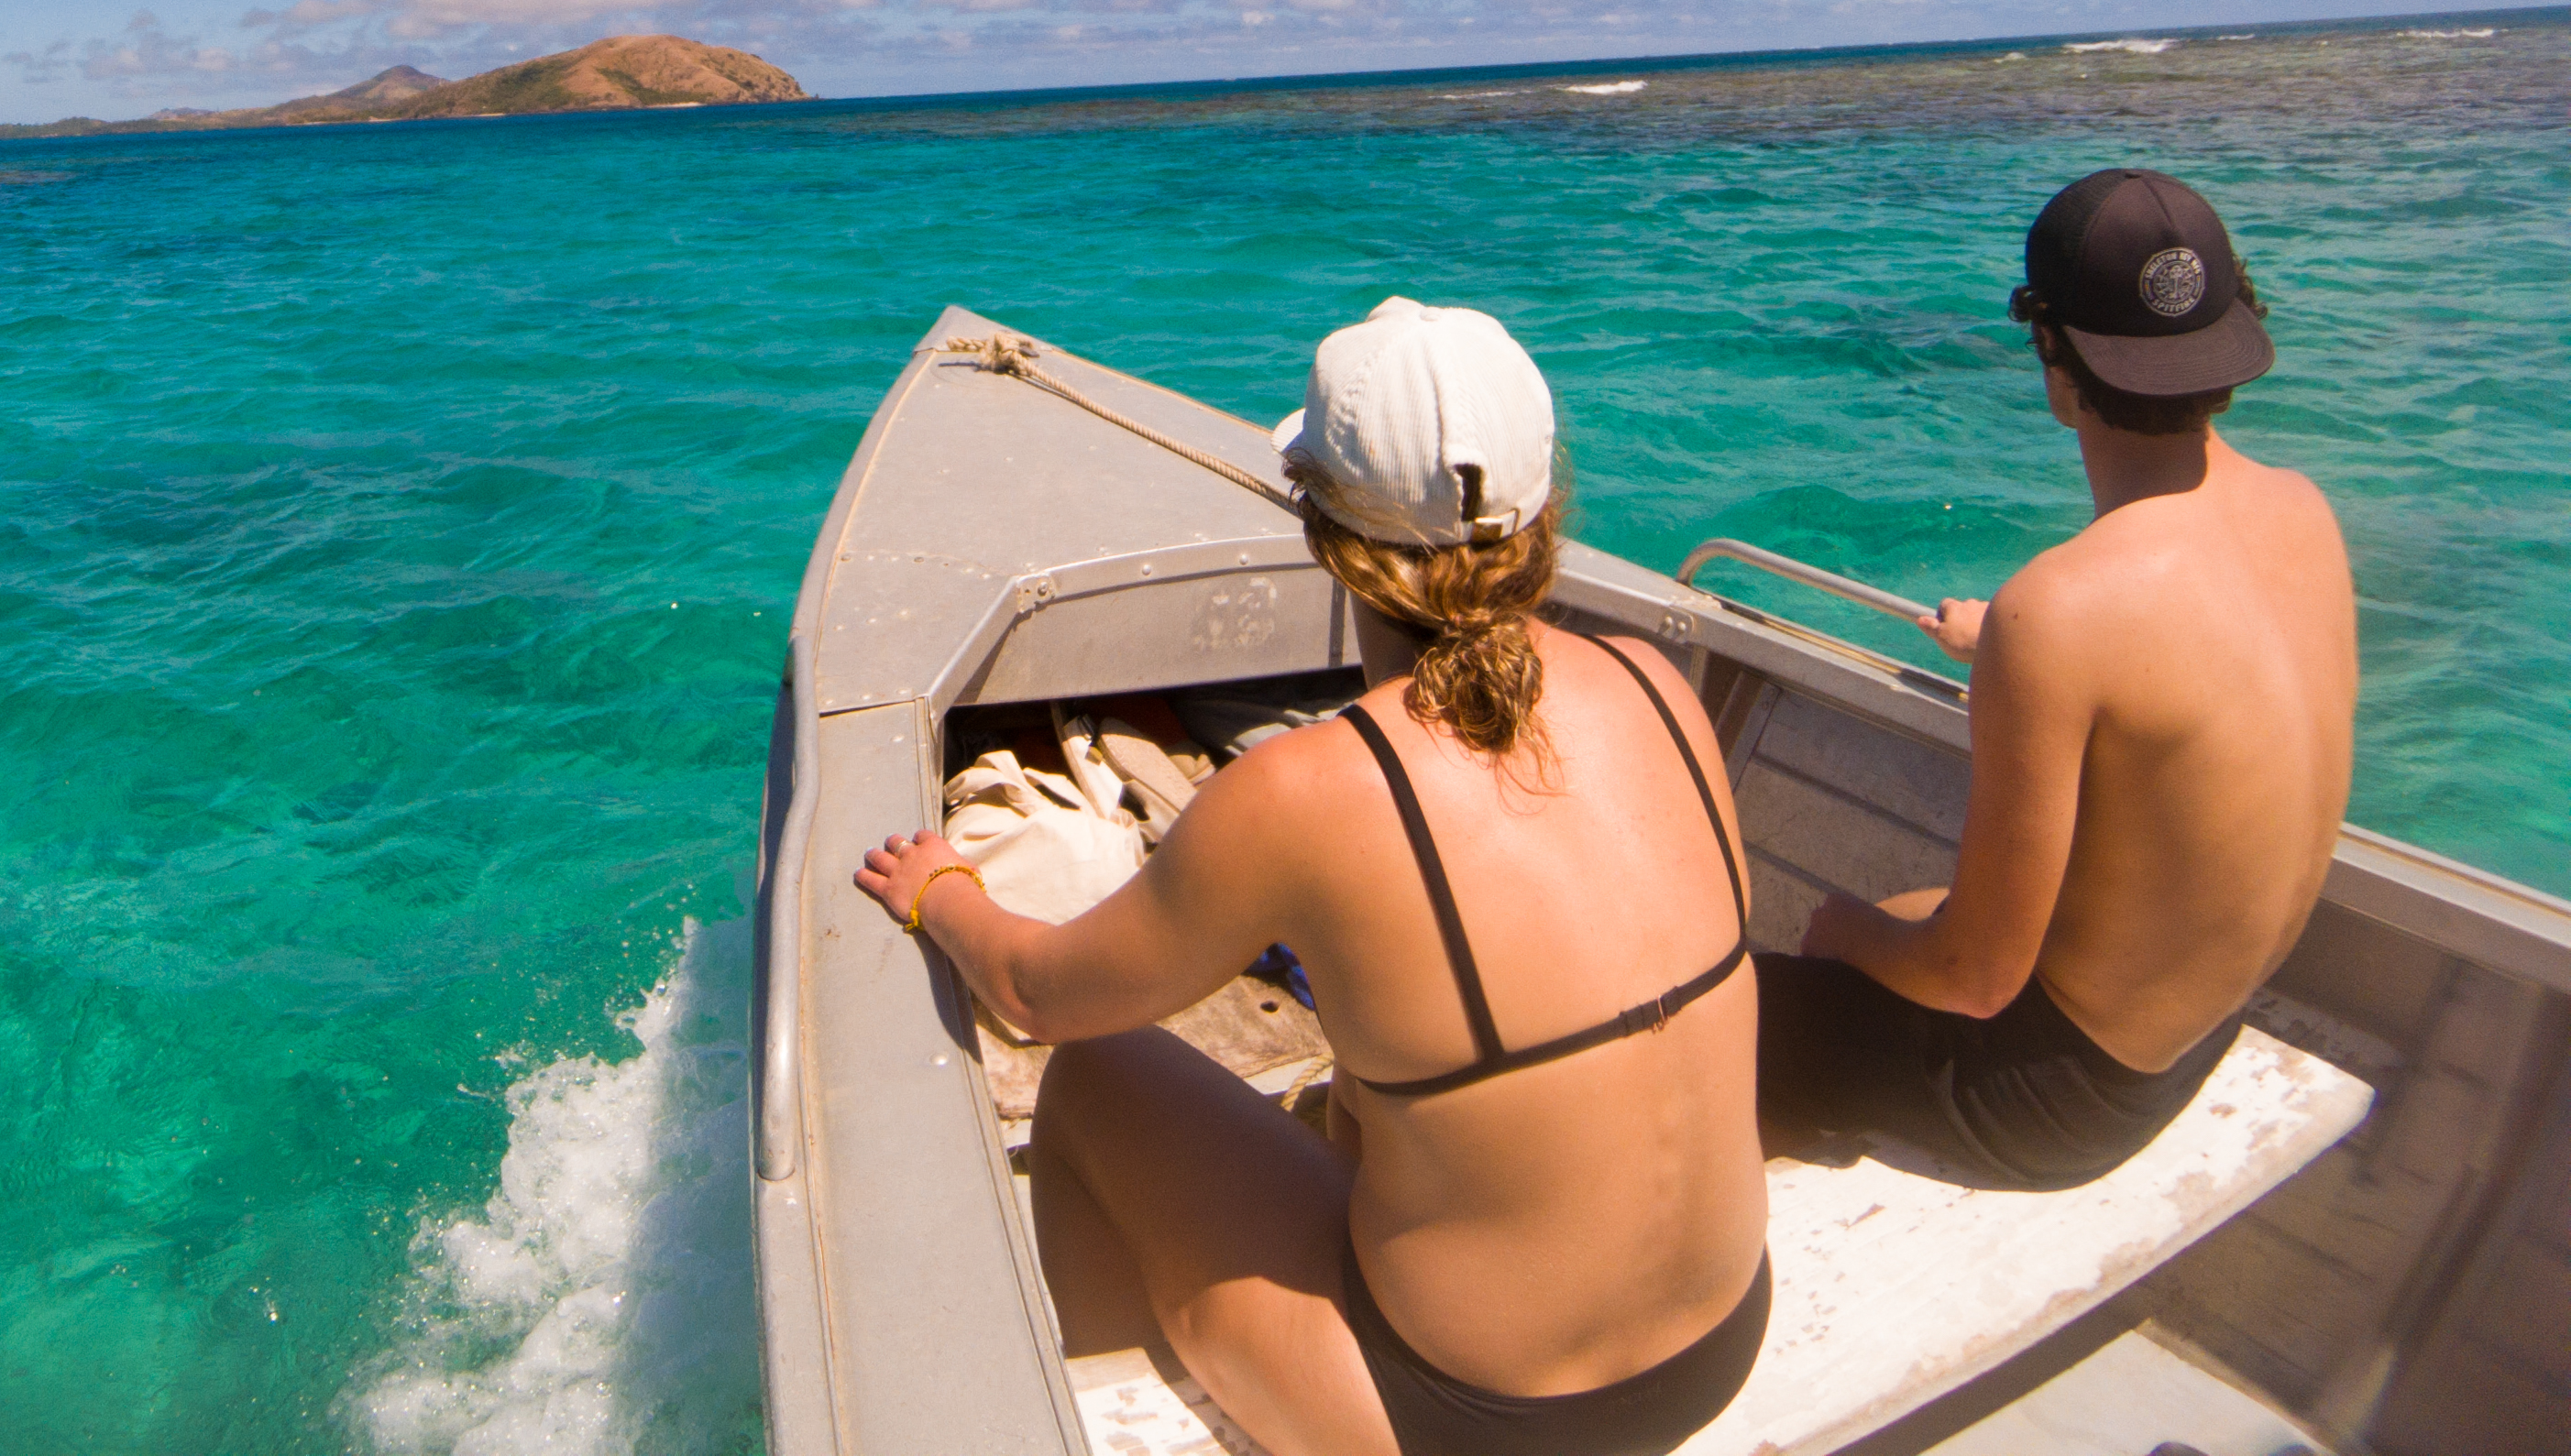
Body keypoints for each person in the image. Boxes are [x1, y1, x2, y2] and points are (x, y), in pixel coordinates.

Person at [858, 299, 1770, 1456]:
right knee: (1378, 1077)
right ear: (1543, 513)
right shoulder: (1657, 684)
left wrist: (943, 891)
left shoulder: (1306, 793)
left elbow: (1041, 995)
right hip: (1723, 1340)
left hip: (1478, 1426)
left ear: (1320, 530)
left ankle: (1114, 1411)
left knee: (1095, 1079)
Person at [1756, 167, 2357, 1190]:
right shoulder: (2304, 510)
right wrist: (2009, 643)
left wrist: (1837, 931)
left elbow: (1975, 977)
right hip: (2199, 1034)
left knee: (1729, 1008)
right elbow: (2182, 646)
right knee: (1909, 910)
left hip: (2056, 1104)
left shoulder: (2063, 611)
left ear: (2052, 359)